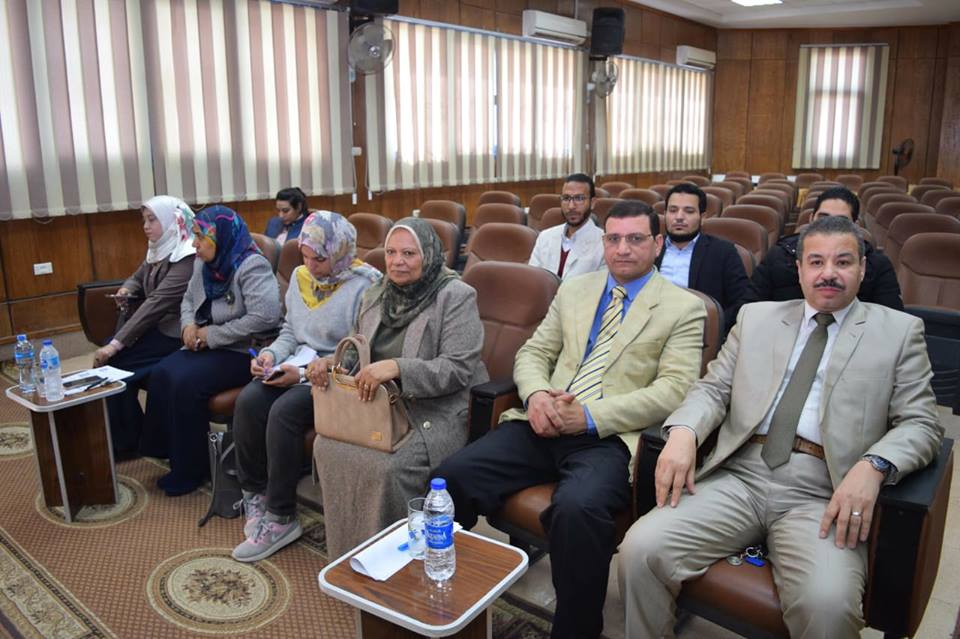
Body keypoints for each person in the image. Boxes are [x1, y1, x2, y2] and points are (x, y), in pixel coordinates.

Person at [618, 215, 942, 638]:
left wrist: (875, 465)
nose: (828, 273)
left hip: (823, 491)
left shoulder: (898, 332)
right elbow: (713, 389)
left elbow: (921, 423)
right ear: (799, 269)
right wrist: (684, 432)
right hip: (739, 474)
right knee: (640, 550)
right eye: (816, 262)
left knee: (829, 606)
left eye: (843, 262)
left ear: (863, 269)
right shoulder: (757, 318)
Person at [434, 200, 706, 639]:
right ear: (603, 243)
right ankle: (447, 599)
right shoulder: (576, 290)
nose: (622, 249)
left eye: (635, 239)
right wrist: (537, 395)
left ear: (657, 244)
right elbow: (534, 353)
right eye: (613, 239)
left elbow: (674, 390)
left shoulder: (683, 307)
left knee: (577, 511)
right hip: (544, 421)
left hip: (609, 437)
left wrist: (590, 416)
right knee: (452, 477)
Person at [311, 217, 488, 558]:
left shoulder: (455, 296)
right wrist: (330, 365)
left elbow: (457, 369)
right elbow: (356, 351)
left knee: (387, 468)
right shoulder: (377, 293)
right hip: (378, 404)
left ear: (429, 255)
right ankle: (348, 558)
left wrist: (398, 369)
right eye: (391, 252)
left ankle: (393, 562)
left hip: (432, 409)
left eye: (409, 253)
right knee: (327, 445)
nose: (396, 262)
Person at [231, 211, 381, 562]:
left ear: (340, 252)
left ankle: (281, 517)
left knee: (284, 412)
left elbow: (360, 351)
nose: (310, 266)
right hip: (297, 364)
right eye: (305, 256)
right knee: (249, 400)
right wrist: (269, 355)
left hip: (336, 375)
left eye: (319, 259)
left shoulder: (367, 286)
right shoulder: (300, 278)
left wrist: (300, 375)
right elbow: (290, 331)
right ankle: (256, 494)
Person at [144, 206, 282, 496]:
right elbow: (187, 300)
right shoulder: (203, 262)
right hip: (206, 342)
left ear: (221, 237)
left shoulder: (251, 265)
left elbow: (265, 317)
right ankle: (168, 451)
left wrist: (212, 335)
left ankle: (191, 470)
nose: (194, 243)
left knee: (186, 383)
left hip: (245, 351)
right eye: (194, 235)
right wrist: (188, 326)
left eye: (200, 237)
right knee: (162, 373)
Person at [94, 196, 197, 458]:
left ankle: (129, 441)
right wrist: (127, 288)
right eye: (144, 220)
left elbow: (157, 303)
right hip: (157, 326)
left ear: (172, 221)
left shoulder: (187, 255)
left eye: (152, 220)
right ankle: (129, 435)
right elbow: (139, 276)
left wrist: (116, 343)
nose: (145, 226)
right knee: (113, 359)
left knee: (115, 359)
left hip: (177, 333)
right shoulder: (160, 247)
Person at [736, 186, 903, 321]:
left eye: (840, 221)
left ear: (856, 225)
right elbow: (748, 310)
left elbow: (890, 324)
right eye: (823, 218)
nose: (829, 226)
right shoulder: (779, 255)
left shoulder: (877, 264)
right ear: (811, 219)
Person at [655, 182, 749, 320]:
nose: (679, 217)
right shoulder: (650, 247)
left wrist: (714, 327)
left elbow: (741, 302)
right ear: (665, 214)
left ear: (702, 217)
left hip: (699, 326)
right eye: (673, 210)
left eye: (689, 211)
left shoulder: (723, 252)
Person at [528, 173, 605, 279]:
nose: (571, 206)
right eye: (566, 198)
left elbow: (601, 286)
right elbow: (532, 279)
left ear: (592, 203)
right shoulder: (545, 237)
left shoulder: (604, 243)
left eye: (579, 198)